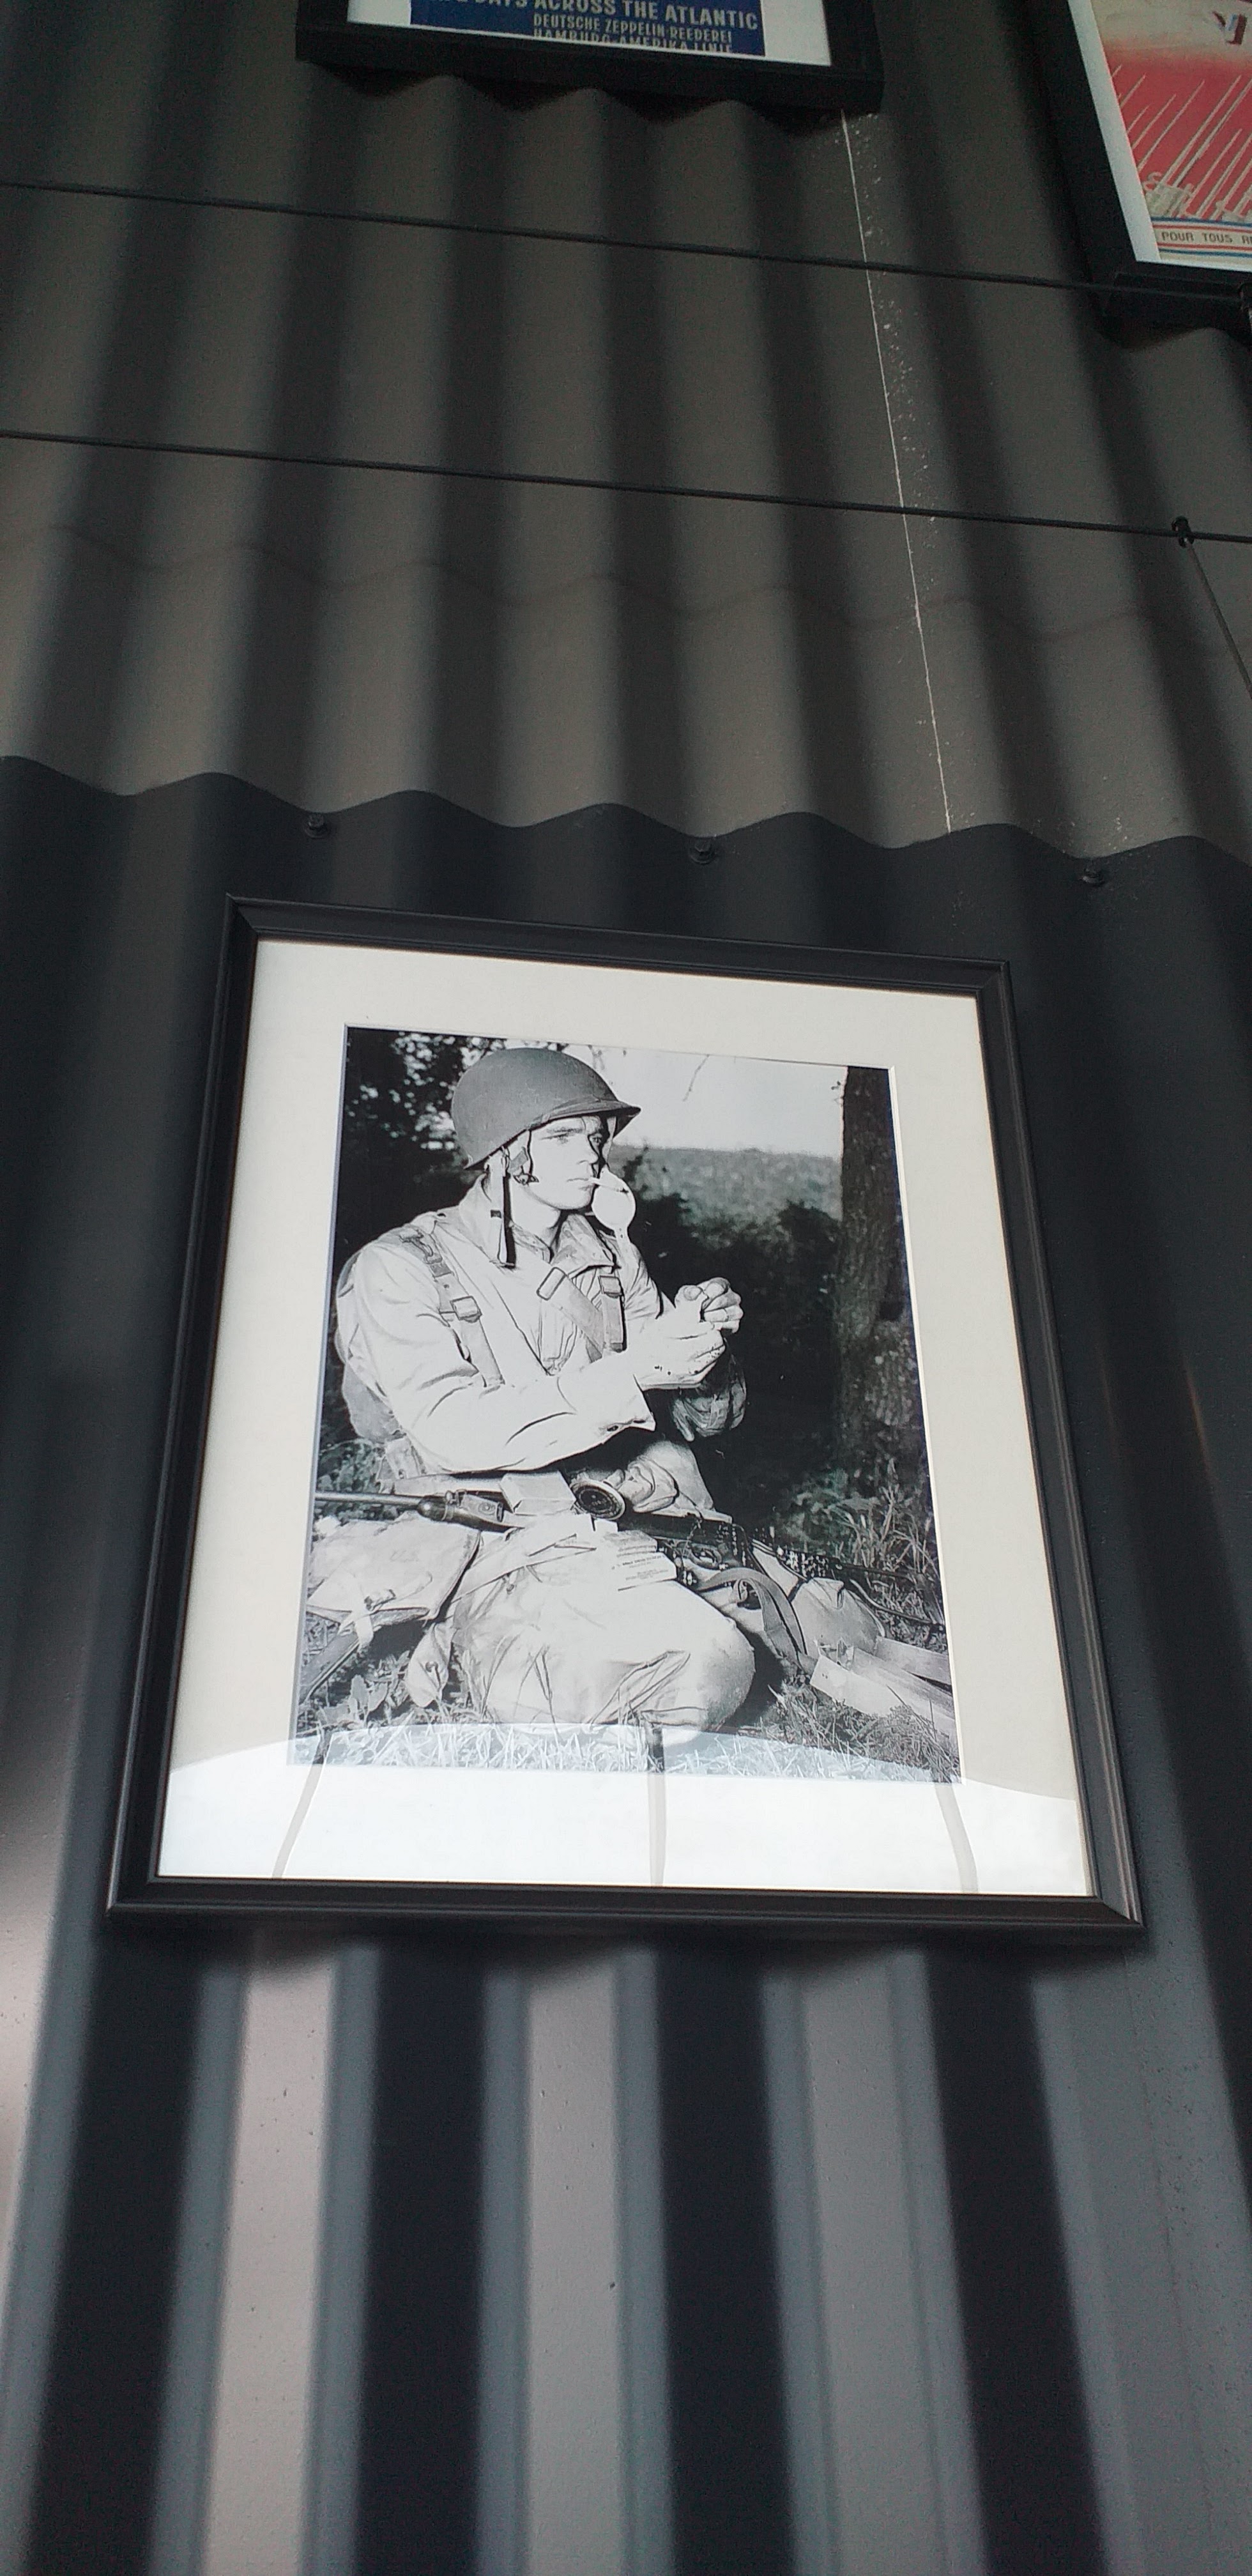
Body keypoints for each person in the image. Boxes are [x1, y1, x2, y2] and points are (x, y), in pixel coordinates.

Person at [333, 1046, 755, 1733]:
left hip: (625, 1509)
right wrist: (636, 1371)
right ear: (502, 1154)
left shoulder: (608, 1255)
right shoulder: (400, 1268)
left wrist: (703, 1346)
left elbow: (692, 1420)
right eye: (562, 1137)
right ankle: (456, 1638)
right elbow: (450, 1430)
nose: (591, 1155)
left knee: (791, 1632)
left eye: (595, 1136)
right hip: (489, 1533)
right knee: (690, 1668)